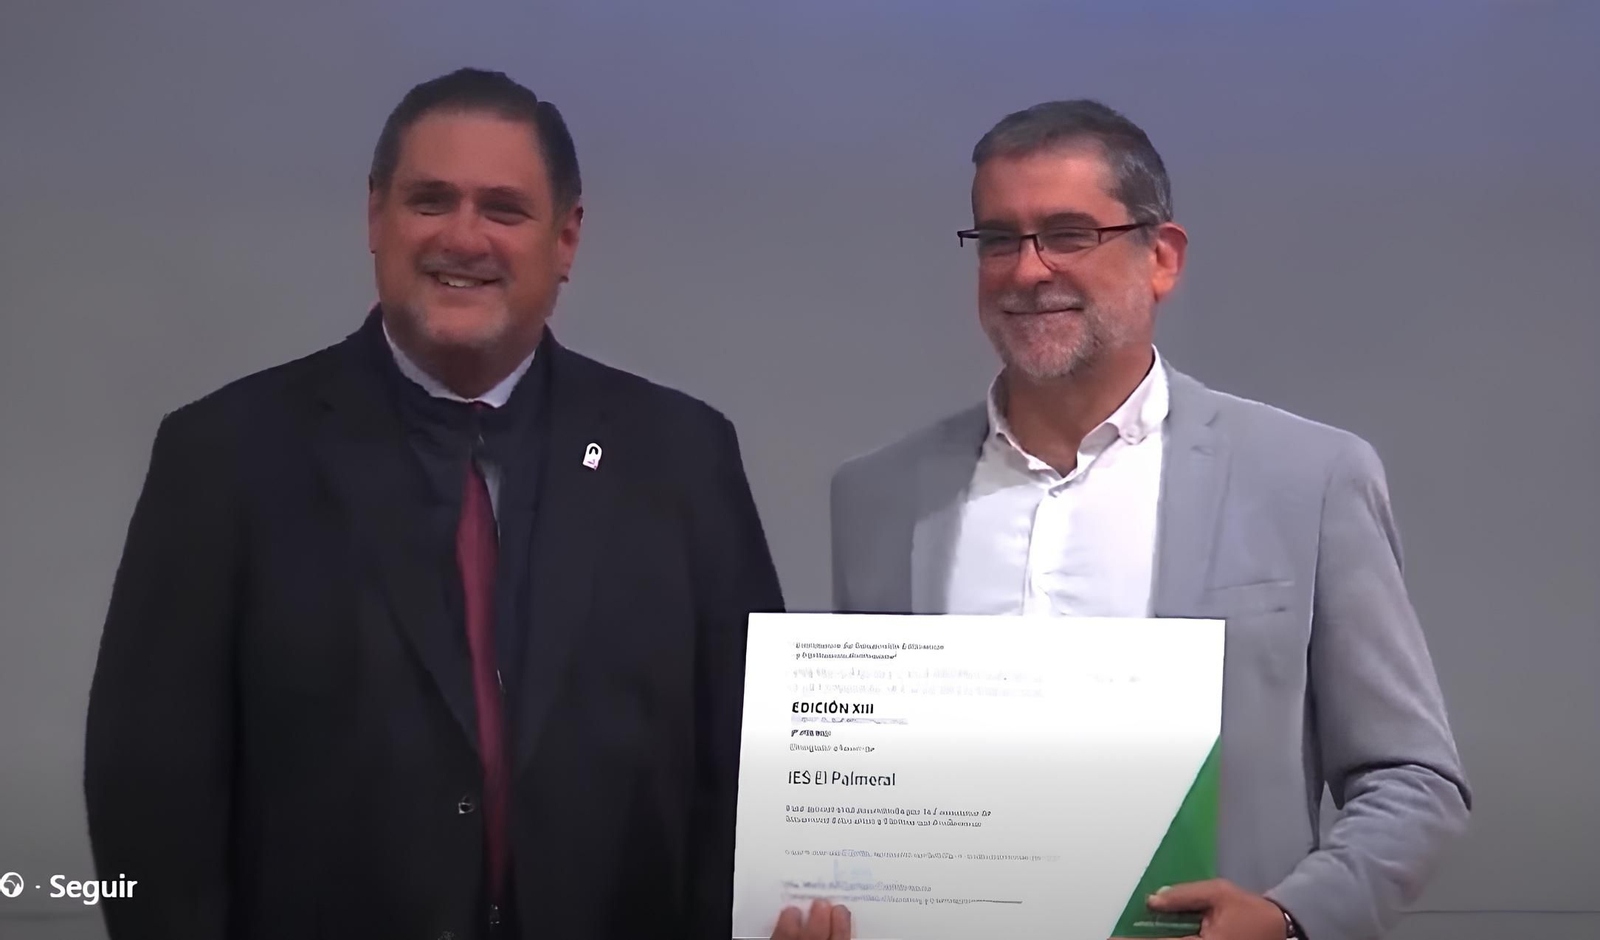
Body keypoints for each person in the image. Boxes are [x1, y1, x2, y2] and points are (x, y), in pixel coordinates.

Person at [84, 67, 782, 940]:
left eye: (504, 209)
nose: (465, 237)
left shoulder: (685, 457)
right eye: (429, 201)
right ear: (375, 218)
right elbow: (149, 794)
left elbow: (751, 774)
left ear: (565, 239)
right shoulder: (222, 456)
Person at [828, 100, 1471, 940]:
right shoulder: (880, 497)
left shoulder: (1308, 480)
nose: (1027, 271)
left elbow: (1412, 778)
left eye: (1067, 234)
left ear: (1161, 258)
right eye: (998, 239)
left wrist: (1289, 917)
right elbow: (859, 778)